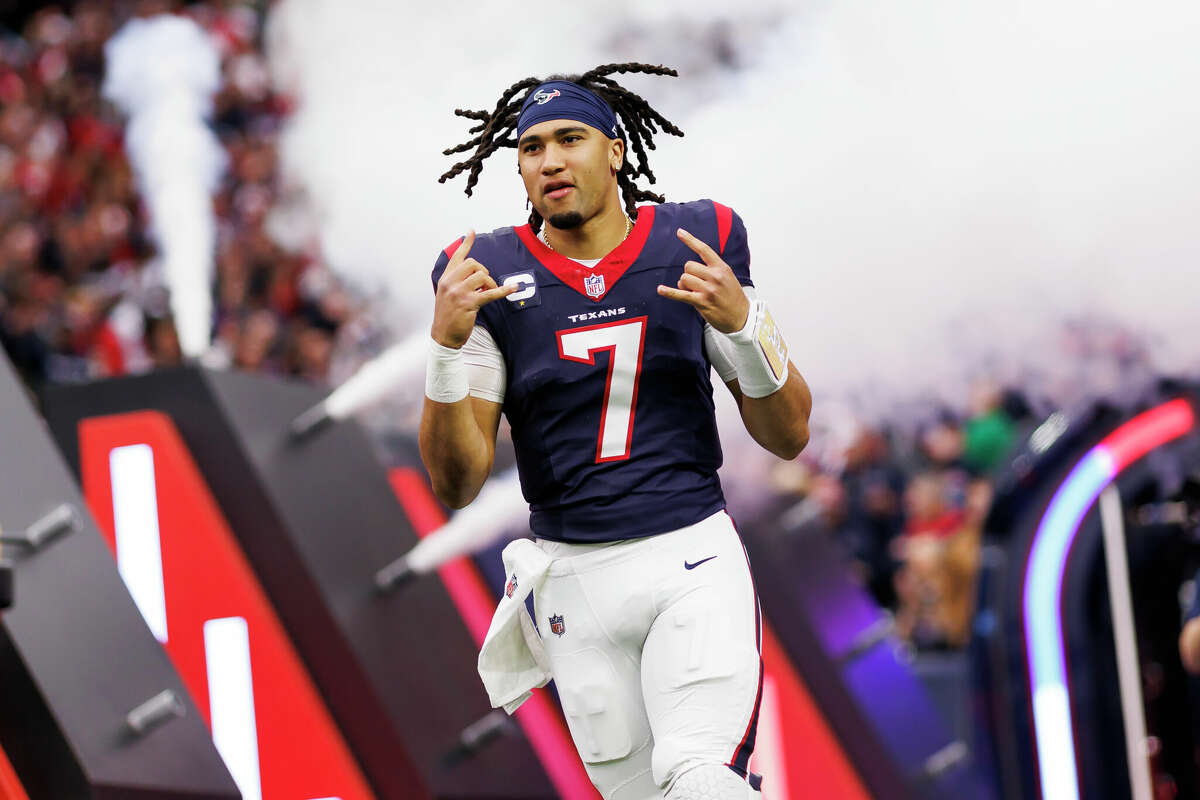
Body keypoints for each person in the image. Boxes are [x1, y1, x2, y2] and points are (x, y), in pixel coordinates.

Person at [420, 63, 812, 800]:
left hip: (688, 558)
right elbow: (455, 482)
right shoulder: (485, 273)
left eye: (570, 138)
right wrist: (445, 352)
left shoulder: (697, 241)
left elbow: (788, 432)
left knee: (695, 775)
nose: (551, 160)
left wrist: (746, 327)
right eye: (532, 148)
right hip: (575, 584)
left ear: (615, 149)